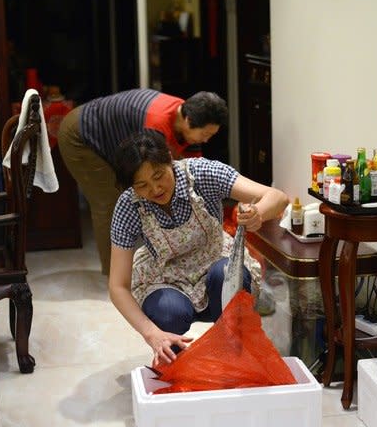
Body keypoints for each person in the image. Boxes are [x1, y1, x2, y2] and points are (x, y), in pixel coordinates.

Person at [107, 130, 289, 367]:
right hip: (166, 277)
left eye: (159, 175)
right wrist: (151, 333)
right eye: (142, 185)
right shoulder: (128, 205)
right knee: (168, 312)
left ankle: (233, 356)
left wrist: (258, 214)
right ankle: (174, 366)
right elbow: (117, 286)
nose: (155, 189)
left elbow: (277, 197)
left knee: (225, 276)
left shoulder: (202, 174)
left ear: (170, 160)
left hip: (216, 261)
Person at [58, 88, 228, 276]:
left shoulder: (191, 115)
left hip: (108, 135)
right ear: (188, 121)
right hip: (80, 135)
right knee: (109, 203)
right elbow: (146, 175)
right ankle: (117, 276)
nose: (206, 140)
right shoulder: (155, 124)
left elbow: (192, 174)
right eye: (206, 134)